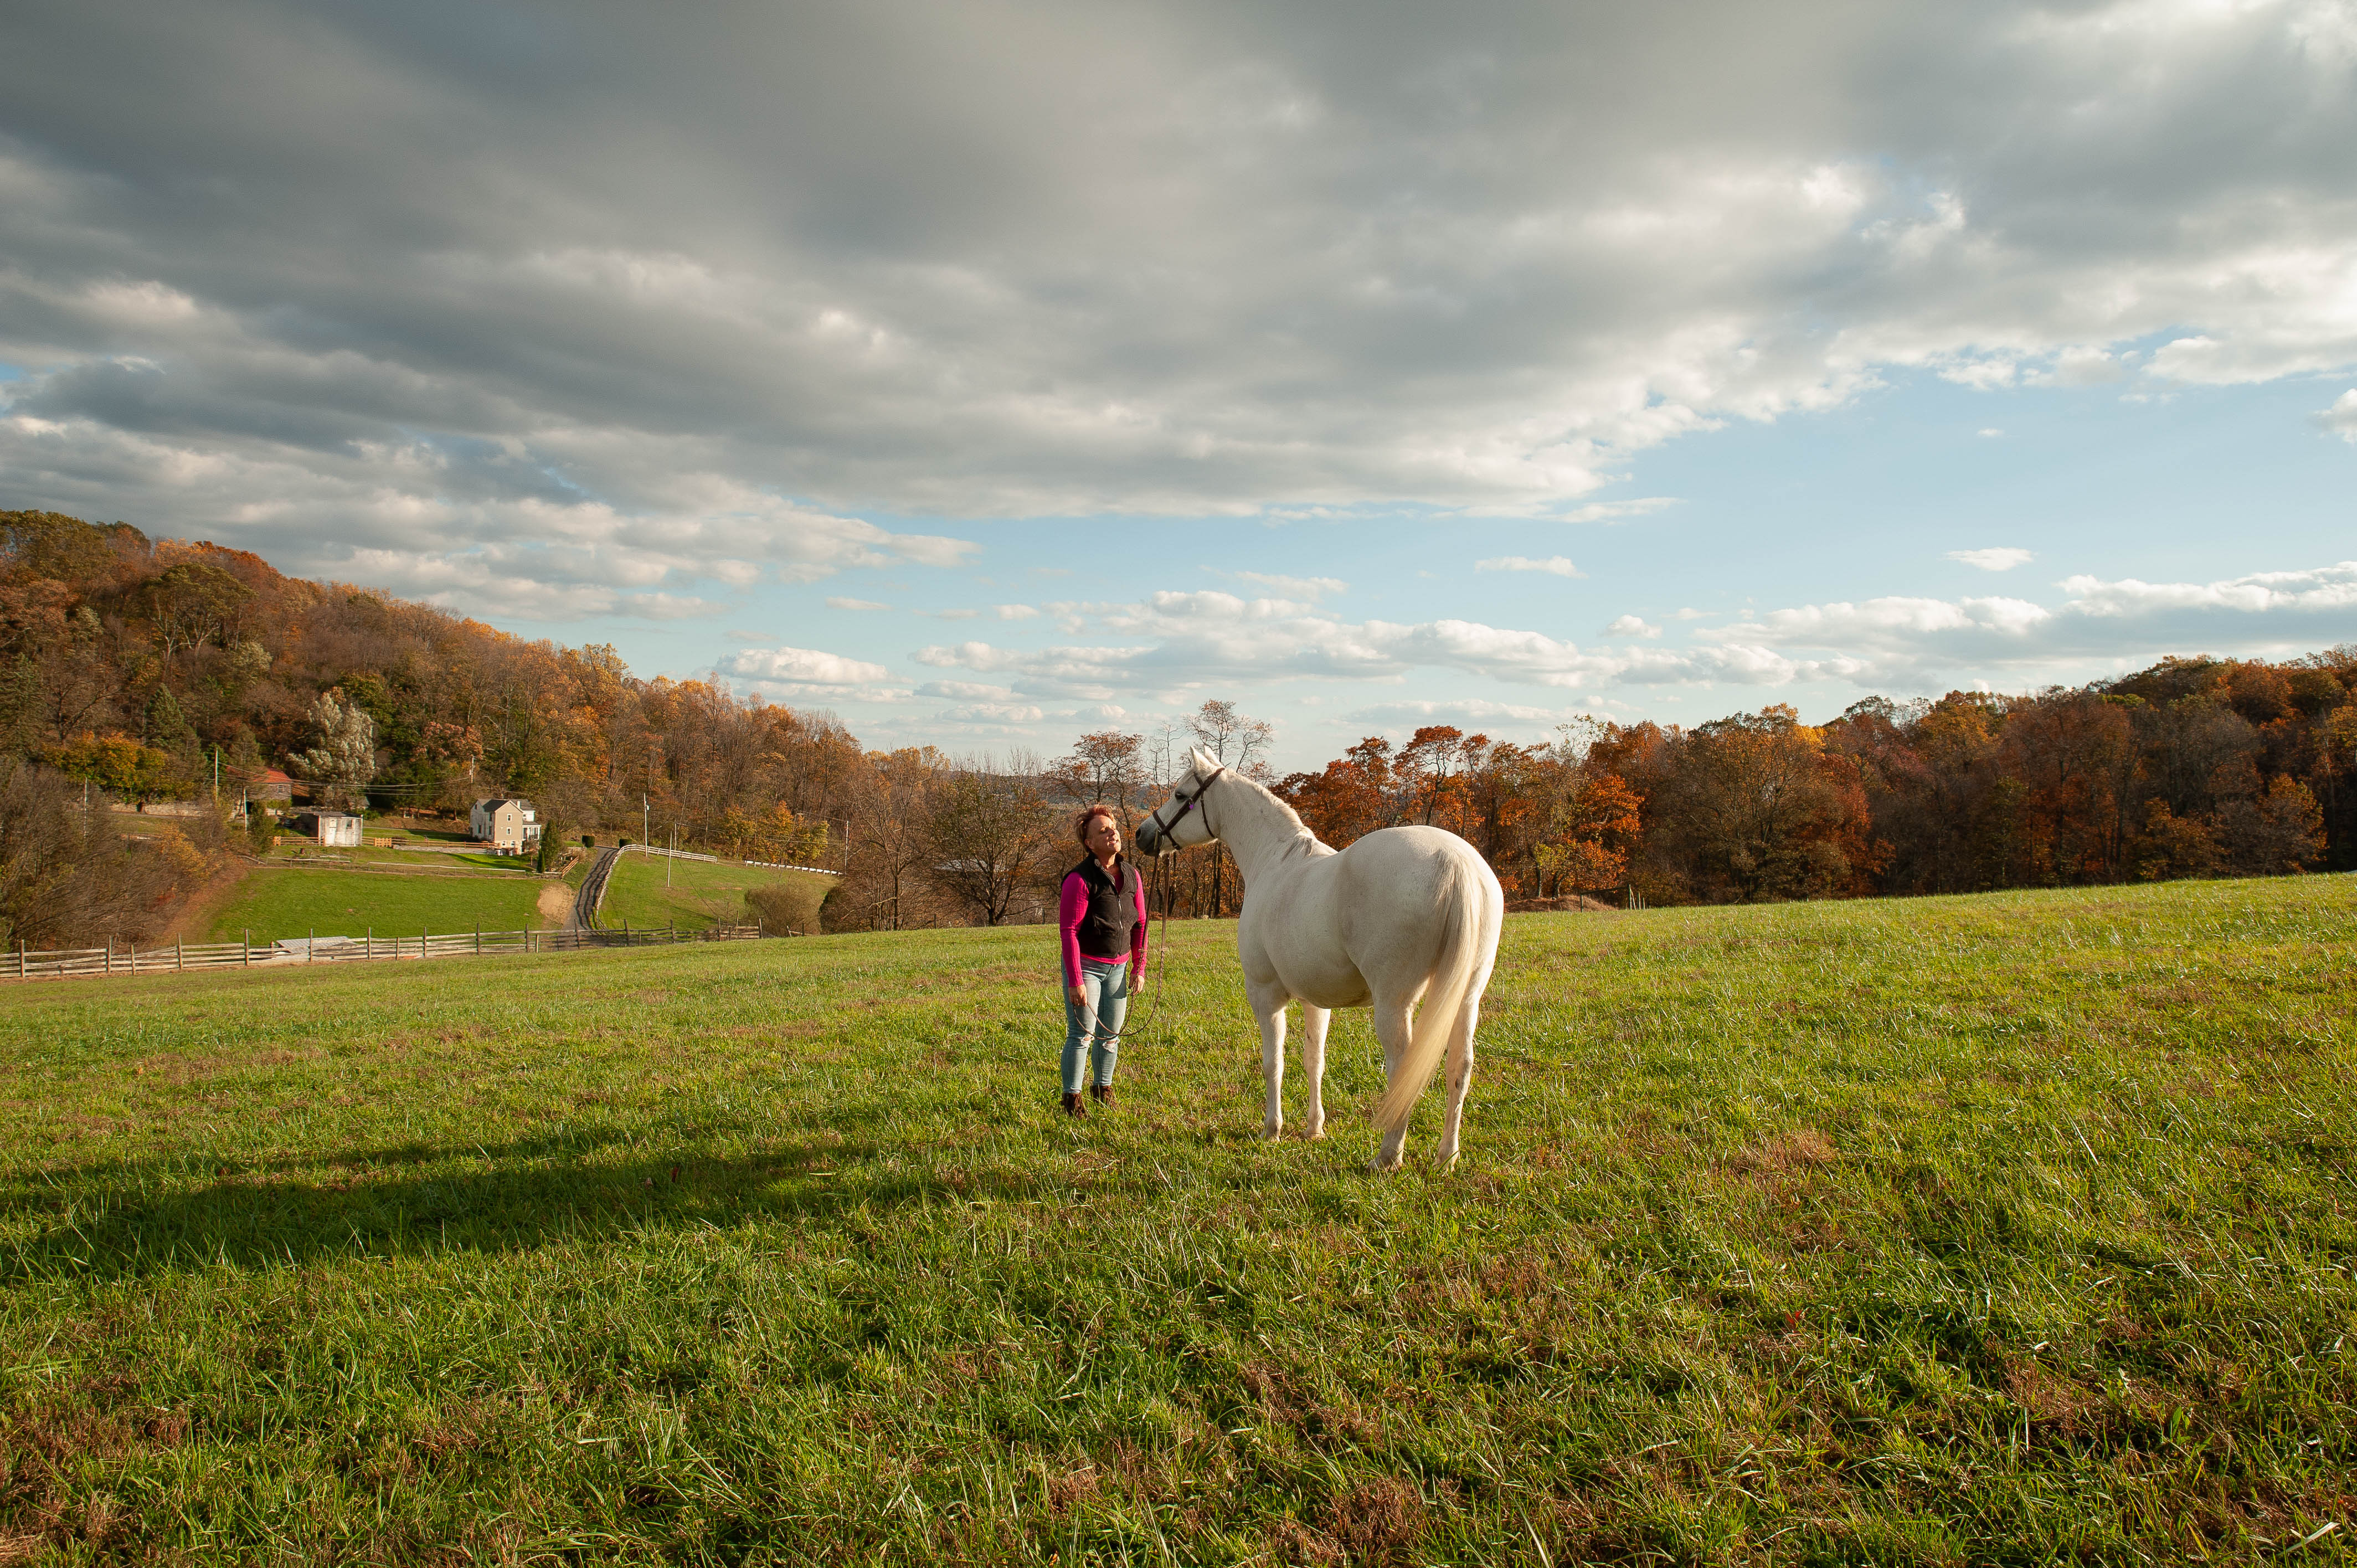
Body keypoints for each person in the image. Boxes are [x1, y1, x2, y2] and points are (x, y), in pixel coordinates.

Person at [1057, 803, 1148, 1116]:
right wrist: (1076, 981)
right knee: (1082, 1035)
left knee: (1111, 1036)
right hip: (1087, 969)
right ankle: (1072, 1100)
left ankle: (1103, 1090)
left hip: (1119, 969)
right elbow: (1069, 931)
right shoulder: (1079, 879)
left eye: (1114, 828)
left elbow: (1141, 924)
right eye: (1103, 831)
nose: (1113, 833)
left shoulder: (1132, 876)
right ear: (1090, 843)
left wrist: (1139, 967)